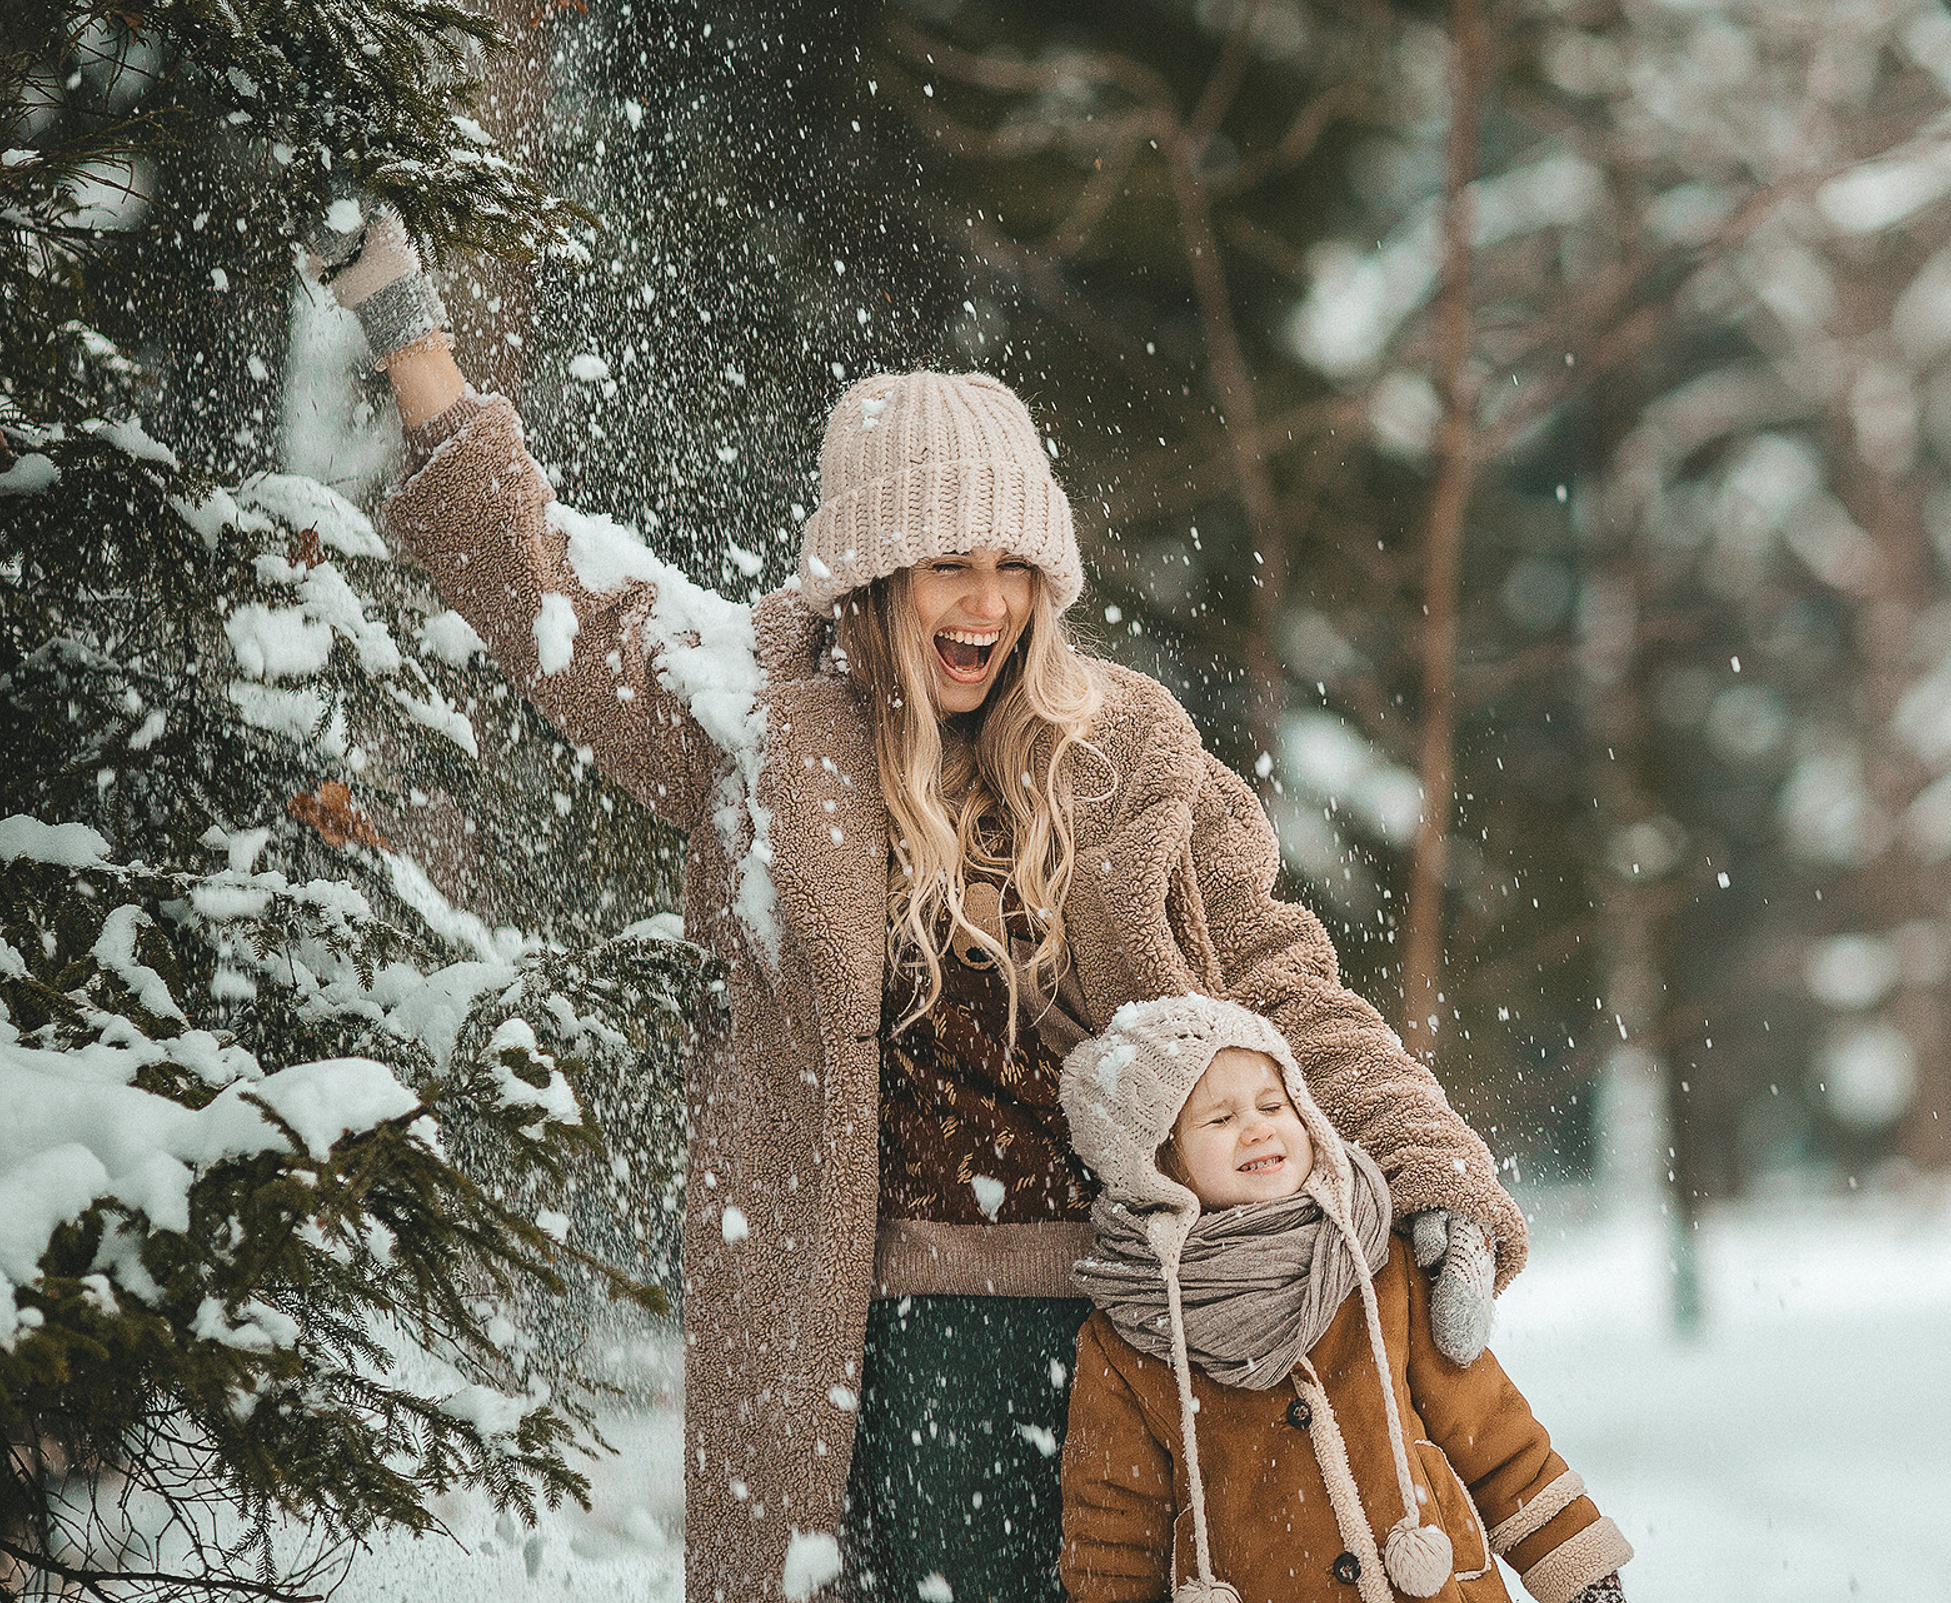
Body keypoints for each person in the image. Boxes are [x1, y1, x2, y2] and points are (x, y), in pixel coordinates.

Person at [304, 202, 1531, 1602]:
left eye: (1017, 567)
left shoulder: (1130, 746)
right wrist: (410, 334)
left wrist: (1434, 1171)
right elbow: (546, 585)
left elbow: (1279, 980)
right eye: (952, 561)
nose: (989, 602)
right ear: (875, 575)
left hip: (1143, 1327)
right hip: (871, 1346)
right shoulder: (758, 730)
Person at [1056, 995, 1631, 1603]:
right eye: (1219, 1119)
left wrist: (1580, 1570)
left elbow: (1495, 1437)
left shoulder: (1378, 1264)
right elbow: (1112, 1528)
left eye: (1274, 1105)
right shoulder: (1130, 1333)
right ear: (1157, 1165)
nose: (1257, 1127)